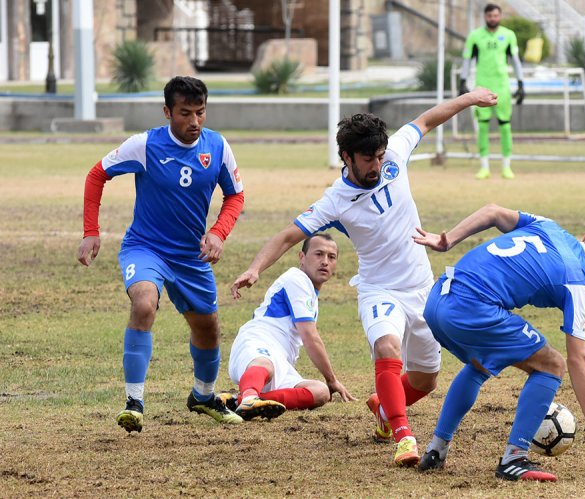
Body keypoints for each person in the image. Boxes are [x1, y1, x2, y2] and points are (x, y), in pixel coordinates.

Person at [230, 87, 498, 466]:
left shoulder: (394, 157)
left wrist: (470, 98)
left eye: (379, 156)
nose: (376, 165)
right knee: (387, 348)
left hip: (422, 288)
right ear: (347, 157)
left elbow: (426, 120)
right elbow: (289, 235)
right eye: (368, 159)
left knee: (425, 380)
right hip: (379, 289)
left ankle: (383, 408)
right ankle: (404, 437)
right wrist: (255, 268)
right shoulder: (335, 200)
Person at [412, 204, 585, 481]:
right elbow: (579, 358)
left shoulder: (547, 225)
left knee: (482, 362)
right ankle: (514, 458)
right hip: (471, 308)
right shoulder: (578, 282)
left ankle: (436, 450)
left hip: (438, 299)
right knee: (552, 365)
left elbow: (493, 211)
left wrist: (447, 240)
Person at [77, 76, 246, 432]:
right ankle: (134, 403)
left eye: (200, 112)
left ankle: (203, 397)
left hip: (190, 257)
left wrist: (218, 233)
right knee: (144, 304)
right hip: (146, 247)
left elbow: (235, 196)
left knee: (208, 329)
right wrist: (91, 231)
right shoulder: (145, 145)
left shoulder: (217, 146)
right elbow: (97, 174)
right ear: (167, 112)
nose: (195, 121)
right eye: (185, 113)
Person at [227, 233, 356, 420]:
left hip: (280, 360)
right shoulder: (296, 279)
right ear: (302, 257)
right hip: (257, 343)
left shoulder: (310, 290)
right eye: (319, 254)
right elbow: (310, 337)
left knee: (320, 392)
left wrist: (328, 384)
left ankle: (236, 401)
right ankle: (249, 397)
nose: (325, 262)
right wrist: (332, 379)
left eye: (331, 257)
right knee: (265, 365)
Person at [459, 3, 525, 180]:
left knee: (505, 126)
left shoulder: (508, 35)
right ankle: (484, 167)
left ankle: (506, 167)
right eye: (490, 16)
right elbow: (467, 60)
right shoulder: (475, 36)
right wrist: (462, 81)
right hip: (482, 87)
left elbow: (515, 61)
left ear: (500, 16)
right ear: (485, 17)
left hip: (502, 86)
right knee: (482, 127)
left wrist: (521, 83)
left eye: (496, 16)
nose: (493, 19)